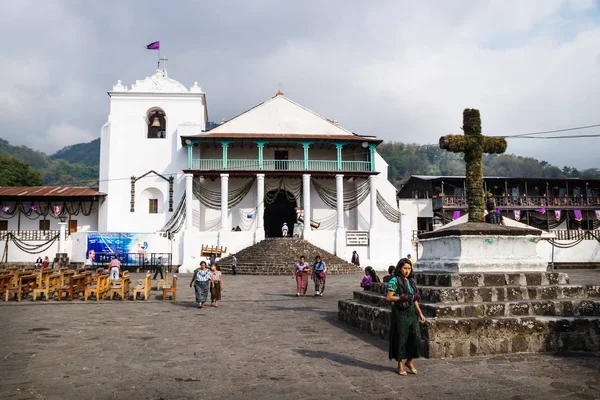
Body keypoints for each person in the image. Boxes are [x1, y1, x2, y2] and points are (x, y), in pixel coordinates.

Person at [387, 258, 426, 376]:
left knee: (415, 338)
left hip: (412, 312)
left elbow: (414, 300)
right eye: (404, 268)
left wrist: (420, 313)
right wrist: (401, 298)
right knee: (401, 338)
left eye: (409, 268)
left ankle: (409, 361)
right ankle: (399, 364)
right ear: (400, 268)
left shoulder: (411, 281)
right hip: (400, 312)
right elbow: (389, 297)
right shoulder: (394, 280)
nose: (407, 271)